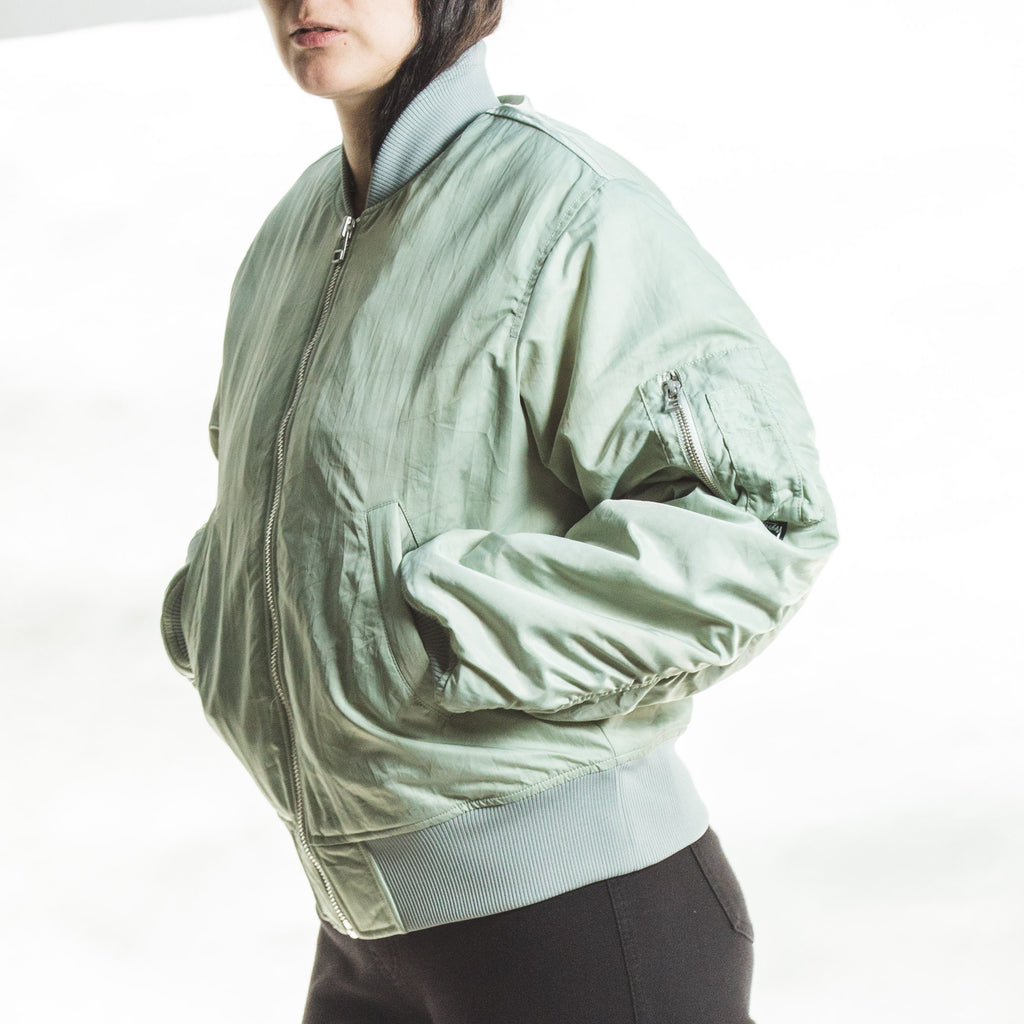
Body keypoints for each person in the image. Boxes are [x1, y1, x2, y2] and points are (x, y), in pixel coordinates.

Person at [160, 2, 838, 1021]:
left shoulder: (565, 207)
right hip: (362, 926)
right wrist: (208, 613)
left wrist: (450, 624)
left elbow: (757, 527)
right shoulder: (297, 229)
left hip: (577, 922)